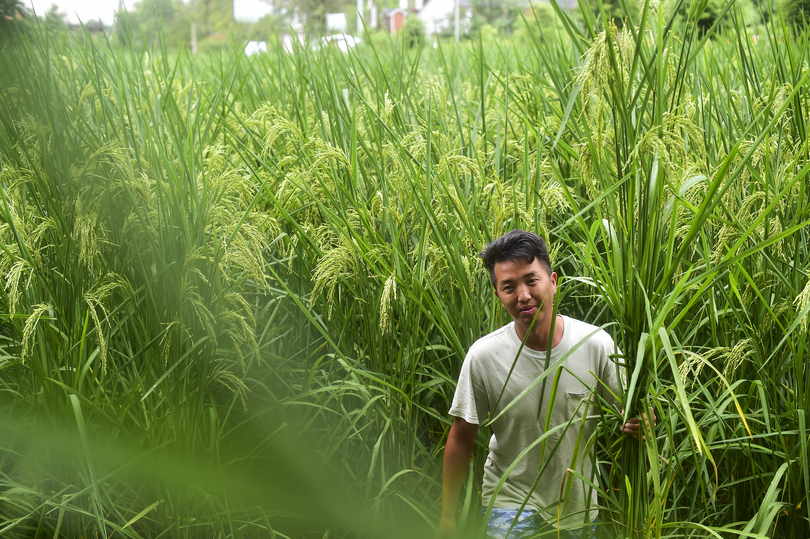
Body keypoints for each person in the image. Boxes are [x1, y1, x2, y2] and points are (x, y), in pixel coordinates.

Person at [436, 229, 648, 539]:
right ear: (497, 294)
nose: (522, 296)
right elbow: (461, 436)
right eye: (508, 287)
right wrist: (447, 517)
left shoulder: (595, 344)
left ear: (553, 280)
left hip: (576, 506)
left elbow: (630, 415)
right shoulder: (484, 356)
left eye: (531, 281)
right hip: (508, 501)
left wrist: (644, 423)